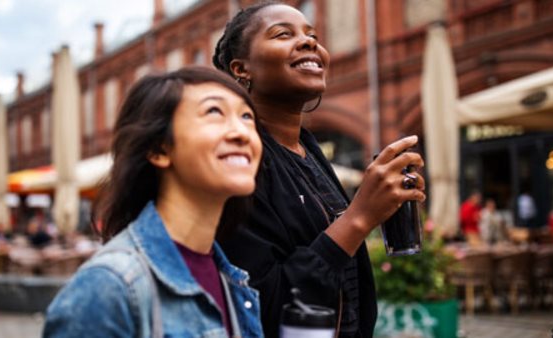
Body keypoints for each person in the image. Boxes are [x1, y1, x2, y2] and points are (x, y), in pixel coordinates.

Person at [213, 3, 426, 337]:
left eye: (313, 35)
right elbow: (262, 305)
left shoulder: (308, 149)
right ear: (242, 69)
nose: (309, 42)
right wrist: (360, 216)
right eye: (284, 34)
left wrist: (380, 204)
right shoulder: (239, 160)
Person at [44, 67, 264, 337]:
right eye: (215, 112)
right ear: (159, 149)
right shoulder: (110, 287)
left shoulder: (233, 281)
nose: (241, 133)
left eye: (247, 117)